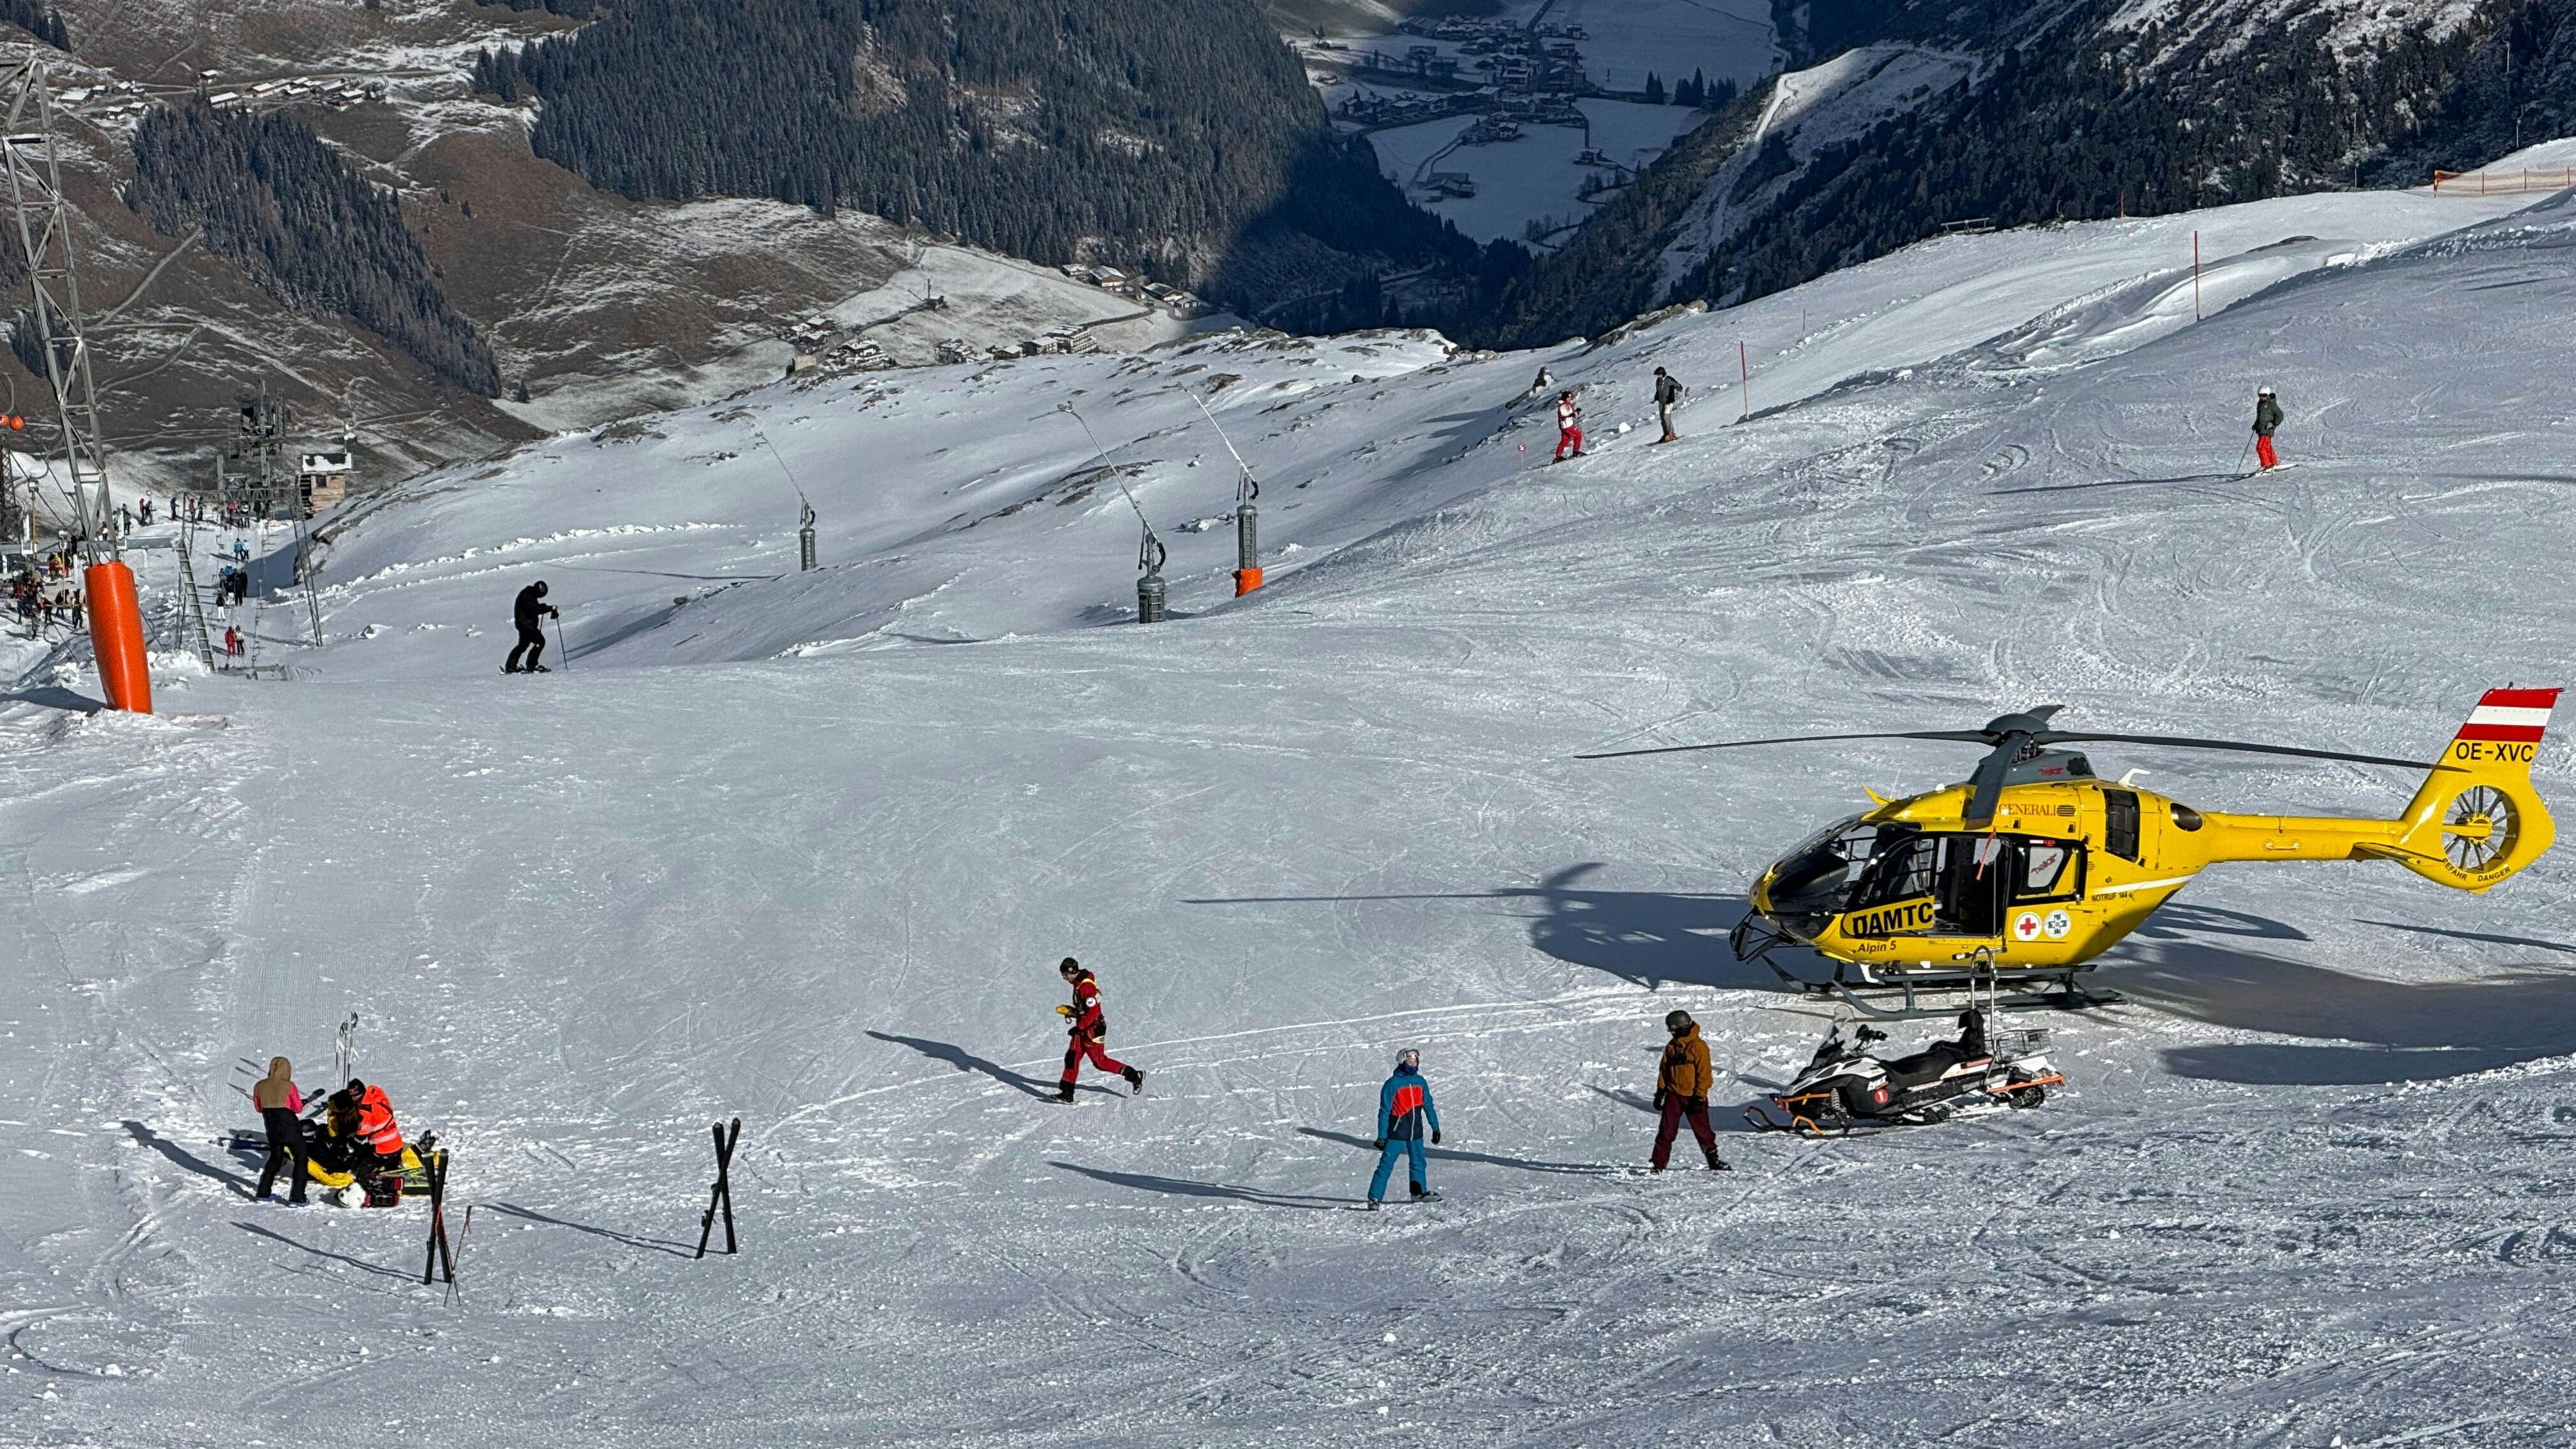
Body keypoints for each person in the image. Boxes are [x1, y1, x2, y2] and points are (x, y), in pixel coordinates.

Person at [1053, 956, 1144, 1103]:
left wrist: (1079, 1027)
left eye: (1065, 975)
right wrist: (1071, 1012)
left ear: (1071, 972)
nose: (1064, 978)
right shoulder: (1078, 984)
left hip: (1093, 1030)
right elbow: (1085, 1009)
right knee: (1072, 1057)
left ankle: (1134, 1075)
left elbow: (1094, 1012)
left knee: (1100, 1062)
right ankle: (1067, 1093)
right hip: (1083, 1027)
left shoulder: (1085, 987)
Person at [1651, 1010, 1728, 1172]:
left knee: (1703, 1130)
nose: (1672, 1034)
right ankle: (1658, 1165)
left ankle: (1713, 1160)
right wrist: (1660, 1091)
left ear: (1682, 1027)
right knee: (1666, 1130)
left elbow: (1705, 1073)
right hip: (1674, 1095)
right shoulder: (1671, 1047)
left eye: (1673, 1030)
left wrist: (1700, 1096)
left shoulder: (1699, 1047)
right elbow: (1664, 1070)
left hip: (1693, 1096)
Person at [1367, 1048, 1441, 1208]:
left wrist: (1435, 1128)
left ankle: (1418, 1193)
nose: (1413, 1064)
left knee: (1418, 1163)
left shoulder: (1421, 1082)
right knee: (1386, 1165)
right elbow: (1384, 1111)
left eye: (1415, 1061)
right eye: (1409, 1061)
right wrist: (1382, 1136)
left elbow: (1428, 1106)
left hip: (1416, 1133)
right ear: (1402, 1062)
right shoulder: (1392, 1084)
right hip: (1396, 1133)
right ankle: (1374, 1198)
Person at [250, 1057, 310, 1204]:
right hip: (290, 1127)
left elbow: (259, 1108)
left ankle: (263, 1193)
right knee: (301, 1159)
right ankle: (297, 1197)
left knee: (275, 1158)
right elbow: (297, 1108)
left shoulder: (259, 1086)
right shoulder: (289, 1086)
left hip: (272, 1128)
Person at [505, 580, 558, 674]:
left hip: (524, 624)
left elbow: (533, 607)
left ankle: (511, 666)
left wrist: (547, 608)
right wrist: (549, 608)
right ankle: (532, 665)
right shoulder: (527, 596)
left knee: (523, 645)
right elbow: (534, 610)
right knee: (540, 642)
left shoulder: (528, 594)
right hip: (527, 625)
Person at [2252, 386, 2283, 471]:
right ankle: (2274, 462)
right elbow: (2260, 417)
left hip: (2268, 429)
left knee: (2260, 447)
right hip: (2261, 429)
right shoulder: (2260, 404)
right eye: (2260, 395)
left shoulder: (2272, 405)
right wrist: (2256, 424)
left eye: (2264, 395)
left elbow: (2280, 416)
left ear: (2268, 395)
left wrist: (2273, 424)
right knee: (2266, 446)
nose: (2262, 397)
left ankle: (2266, 465)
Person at [1653, 366, 1684, 443]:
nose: (1658, 377)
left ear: (1663, 374)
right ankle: (1666, 434)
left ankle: (1671, 434)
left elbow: (1678, 385)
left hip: (1669, 401)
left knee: (1666, 417)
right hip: (1661, 402)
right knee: (1662, 419)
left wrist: (1679, 389)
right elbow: (1658, 391)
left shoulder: (1669, 379)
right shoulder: (1658, 382)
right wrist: (1656, 398)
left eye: (1659, 375)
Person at [1553, 390, 1584, 461]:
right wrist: (1570, 415)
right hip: (1567, 425)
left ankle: (1558, 456)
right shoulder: (1563, 406)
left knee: (1565, 440)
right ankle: (1576, 452)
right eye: (1569, 397)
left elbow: (1570, 410)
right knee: (1578, 436)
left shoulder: (1567, 404)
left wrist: (1576, 410)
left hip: (1565, 426)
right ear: (1565, 398)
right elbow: (1563, 414)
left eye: (1571, 397)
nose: (1570, 398)